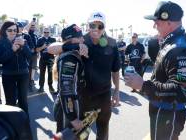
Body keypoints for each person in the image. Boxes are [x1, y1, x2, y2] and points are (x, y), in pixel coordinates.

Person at [125, 1, 186, 140]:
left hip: (168, 115)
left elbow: (182, 92)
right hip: (162, 112)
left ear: (169, 23)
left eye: (157, 22)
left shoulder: (180, 48)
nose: (154, 26)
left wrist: (143, 86)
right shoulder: (171, 41)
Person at [48, 11, 120, 140]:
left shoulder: (112, 43)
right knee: (82, 134)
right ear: (88, 26)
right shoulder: (81, 39)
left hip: (104, 96)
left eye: (100, 26)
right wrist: (74, 45)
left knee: (103, 130)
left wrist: (117, 92)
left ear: (104, 27)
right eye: (93, 25)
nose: (96, 29)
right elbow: (50, 49)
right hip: (84, 97)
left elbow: (115, 70)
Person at [0, 21, 32, 114]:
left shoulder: (22, 40)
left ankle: (25, 124)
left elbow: (30, 55)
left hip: (23, 74)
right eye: (10, 30)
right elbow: (0, 60)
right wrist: (12, 50)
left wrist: (23, 46)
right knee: (10, 102)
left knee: (23, 101)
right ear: (4, 31)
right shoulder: (0, 43)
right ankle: (12, 125)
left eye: (15, 30)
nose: (13, 32)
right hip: (8, 75)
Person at [36, 27, 56, 93]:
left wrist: (51, 47)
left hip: (51, 59)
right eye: (45, 32)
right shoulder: (40, 40)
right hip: (42, 59)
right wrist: (43, 47)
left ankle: (50, 86)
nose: (46, 34)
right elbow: (36, 50)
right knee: (42, 73)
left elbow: (56, 50)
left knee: (50, 73)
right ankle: (41, 87)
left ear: (49, 32)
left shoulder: (53, 39)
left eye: (47, 32)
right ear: (43, 32)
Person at [28, 21, 39, 92]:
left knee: (33, 68)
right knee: (28, 68)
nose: (32, 27)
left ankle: (31, 81)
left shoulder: (35, 35)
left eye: (34, 26)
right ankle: (28, 83)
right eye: (31, 25)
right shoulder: (27, 34)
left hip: (35, 54)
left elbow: (37, 45)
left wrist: (38, 53)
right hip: (28, 54)